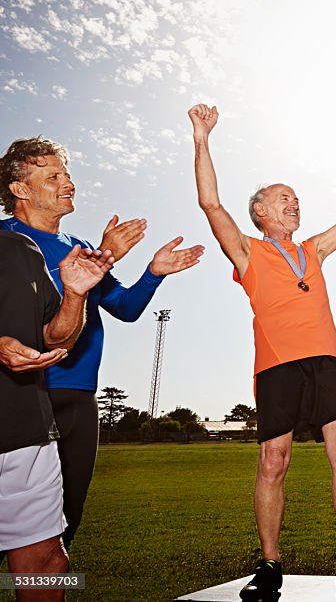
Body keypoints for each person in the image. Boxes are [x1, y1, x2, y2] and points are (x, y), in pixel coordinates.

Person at [189, 103, 336, 600]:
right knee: (274, 462)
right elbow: (211, 204)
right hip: (277, 366)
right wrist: (203, 137)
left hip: (327, 362)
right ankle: (270, 563)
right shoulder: (248, 251)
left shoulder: (313, 249)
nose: (293, 204)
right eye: (282, 198)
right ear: (260, 211)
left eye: (296, 198)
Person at [0, 137, 204, 551]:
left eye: (68, 174)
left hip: (78, 398)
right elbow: (44, 309)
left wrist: (152, 273)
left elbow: (125, 308)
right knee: (12, 531)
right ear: (20, 189)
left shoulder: (80, 249)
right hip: (22, 398)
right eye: (53, 175)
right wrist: (103, 256)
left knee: (62, 531)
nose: (68, 183)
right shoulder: (5, 241)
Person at [1, 231, 114, 602]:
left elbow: (56, 338)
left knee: (50, 565)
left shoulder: (21, 248)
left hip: (29, 429)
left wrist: (75, 295)